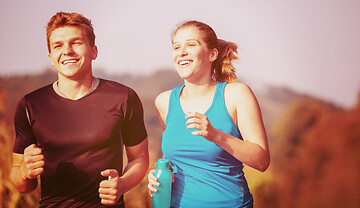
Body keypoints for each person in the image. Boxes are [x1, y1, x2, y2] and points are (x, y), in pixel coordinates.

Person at [10, 12, 149, 207]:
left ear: (94, 51)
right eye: (58, 45)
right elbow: (21, 183)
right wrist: (25, 172)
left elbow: (140, 159)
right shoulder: (30, 105)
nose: (67, 51)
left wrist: (122, 184)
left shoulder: (123, 97)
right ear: (51, 57)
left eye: (76, 42)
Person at [147, 20, 270, 208]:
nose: (181, 52)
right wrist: (158, 175)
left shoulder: (236, 95)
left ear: (212, 54)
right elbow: (173, 160)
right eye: (176, 47)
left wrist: (216, 135)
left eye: (191, 45)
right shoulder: (164, 102)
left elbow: (262, 161)